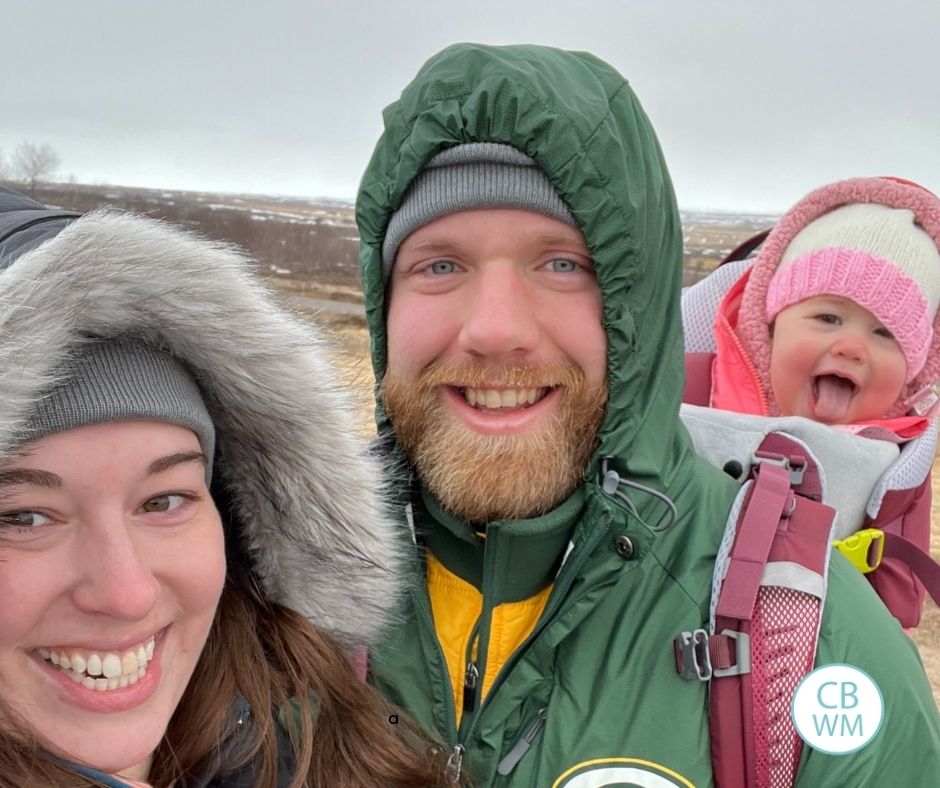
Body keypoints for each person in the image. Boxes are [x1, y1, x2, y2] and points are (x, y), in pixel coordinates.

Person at [355, 42, 940, 786]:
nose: (494, 328)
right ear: (384, 309)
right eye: (439, 265)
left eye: (563, 264)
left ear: (640, 309)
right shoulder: (261, 595)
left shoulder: (822, 642)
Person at [0, 186, 445, 786]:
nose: (126, 594)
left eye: (164, 500)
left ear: (235, 524)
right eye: (25, 516)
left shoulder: (320, 753)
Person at [681, 176, 940, 627]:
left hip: (806, 646)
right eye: (827, 317)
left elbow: (899, 607)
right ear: (772, 326)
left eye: (884, 334)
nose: (852, 347)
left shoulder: (898, 461)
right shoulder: (688, 386)